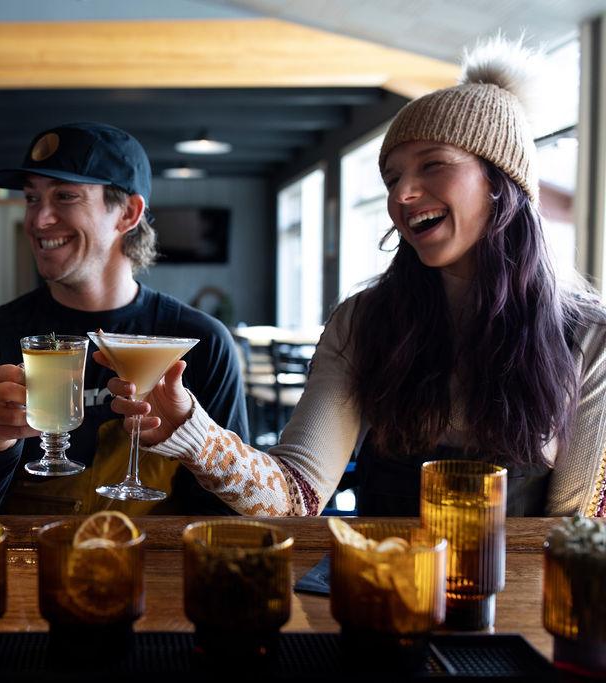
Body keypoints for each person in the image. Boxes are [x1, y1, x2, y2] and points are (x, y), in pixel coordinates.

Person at [102, 37, 606, 518]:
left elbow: (581, 531)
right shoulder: (364, 322)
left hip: (520, 604)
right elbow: (296, 496)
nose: (403, 193)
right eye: (391, 177)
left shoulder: (589, 337)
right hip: (376, 591)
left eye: (433, 165)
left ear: (504, 183)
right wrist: (193, 432)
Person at [0, 122, 248, 515]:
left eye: (66, 196)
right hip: (25, 570)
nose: (38, 220)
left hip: (155, 570)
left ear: (128, 213)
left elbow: (229, 511)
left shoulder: (201, 342)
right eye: (31, 198)